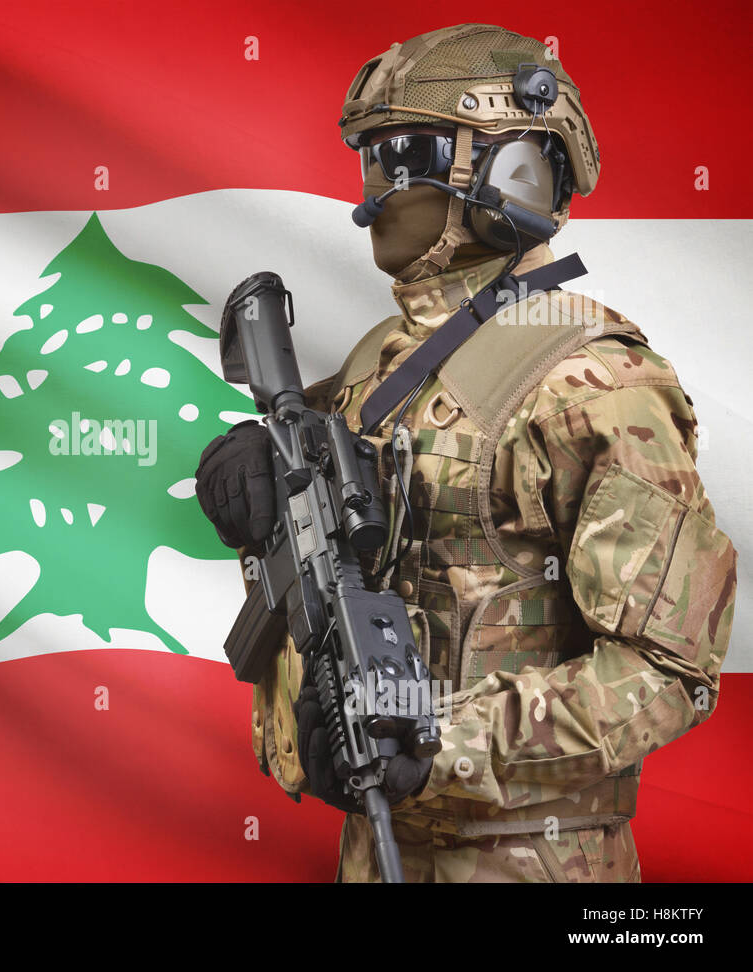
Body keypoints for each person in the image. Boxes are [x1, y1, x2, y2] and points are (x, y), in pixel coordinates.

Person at [194, 23, 737, 882]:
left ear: (505, 169)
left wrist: (439, 739)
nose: (375, 187)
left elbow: (668, 669)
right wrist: (252, 485)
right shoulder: (383, 358)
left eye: (401, 151)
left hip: (534, 864)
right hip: (376, 850)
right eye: (371, 155)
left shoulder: (594, 381)